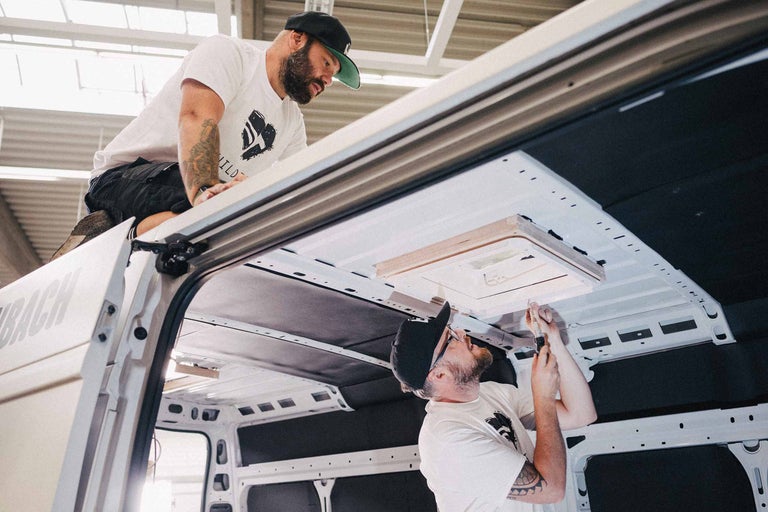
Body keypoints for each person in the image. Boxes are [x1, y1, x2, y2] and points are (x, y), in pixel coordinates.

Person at [53, 11, 360, 258]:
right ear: (297, 39)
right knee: (218, 201)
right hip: (124, 178)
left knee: (250, 221)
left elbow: (295, 191)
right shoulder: (230, 54)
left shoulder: (292, 124)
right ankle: (106, 241)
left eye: (333, 73)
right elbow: (197, 118)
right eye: (327, 63)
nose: (329, 79)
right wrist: (205, 192)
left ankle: (126, 240)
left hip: (202, 202)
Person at [390, 301, 597, 511]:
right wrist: (543, 397)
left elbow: (580, 414)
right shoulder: (446, 439)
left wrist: (552, 340)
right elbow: (551, 490)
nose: (462, 332)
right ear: (440, 375)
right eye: (451, 338)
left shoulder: (491, 393)